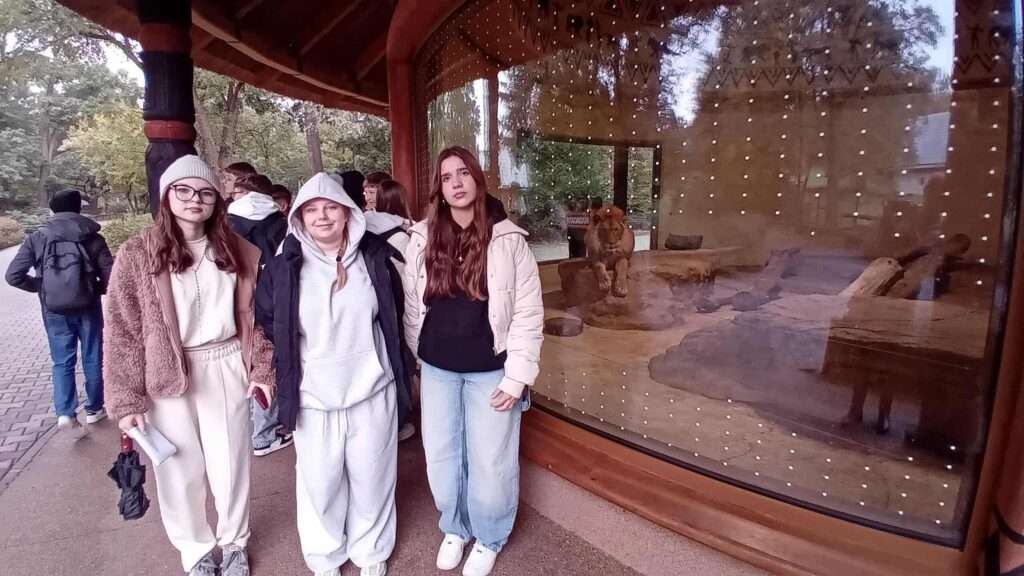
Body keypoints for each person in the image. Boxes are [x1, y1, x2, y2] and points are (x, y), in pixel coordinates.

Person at [103, 155, 275, 576]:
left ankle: (234, 542)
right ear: (167, 196)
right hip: (166, 370)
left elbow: (257, 317)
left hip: (225, 361)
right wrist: (126, 400)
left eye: (204, 192)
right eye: (183, 190)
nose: (194, 199)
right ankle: (195, 550)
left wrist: (262, 370)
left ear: (217, 200)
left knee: (231, 463)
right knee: (179, 469)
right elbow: (122, 329)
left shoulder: (237, 249)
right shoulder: (138, 253)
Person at [256, 172, 411, 576]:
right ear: (299, 217)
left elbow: (395, 314)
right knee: (320, 485)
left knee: (373, 478)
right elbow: (268, 320)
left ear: (347, 214)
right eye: (312, 210)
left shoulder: (375, 257)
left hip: (371, 389)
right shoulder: (284, 266)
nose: (322, 216)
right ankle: (325, 554)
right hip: (313, 396)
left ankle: (371, 550)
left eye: (330, 208)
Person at [402, 146, 543, 576]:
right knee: (442, 454)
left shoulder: (508, 240)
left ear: (478, 180)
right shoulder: (422, 237)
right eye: (446, 177)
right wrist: (418, 357)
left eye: (463, 173)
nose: (456, 183)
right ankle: (455, 527)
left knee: (491, 459)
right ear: (439, 189)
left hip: (491, 370)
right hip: (438, 367)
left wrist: (517, 377)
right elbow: (412, 304)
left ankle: (489, 535)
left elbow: (528, 313)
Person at [5, 189, 114, 430]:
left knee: (62, 361)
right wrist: (94, 289)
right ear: (78, 208)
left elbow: (13, 276)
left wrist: (41, 287)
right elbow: (111, 276)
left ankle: (65, 412)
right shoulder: (93, 237)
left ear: (53, 209)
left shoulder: (37, 237)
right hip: (88, 306)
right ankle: (95, 409)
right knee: (93, 356)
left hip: (54, 309)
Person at [226, 172, 292, 456]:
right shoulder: (279, 222)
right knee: (269, 360)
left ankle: (246, 427)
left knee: (242, 361)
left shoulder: (224, 222)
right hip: (269, 298)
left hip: (232, 300)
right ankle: (265, 434)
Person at [363, 179, 415, 442]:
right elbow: (412, 278)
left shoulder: (360, 228)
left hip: (373, 308)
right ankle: (399, 419)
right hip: (399, 306)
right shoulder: (402, 236)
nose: (367, 195)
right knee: (400, 361)